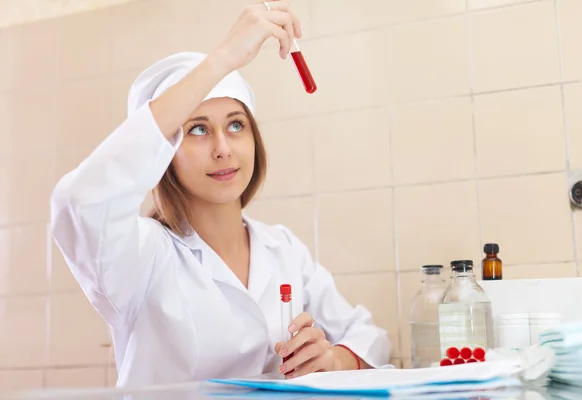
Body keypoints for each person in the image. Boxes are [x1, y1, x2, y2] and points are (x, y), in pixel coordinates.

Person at [50, 0, 392, 388]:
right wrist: (224, 59)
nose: (223, 148)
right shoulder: (141, 256)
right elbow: (80, 200)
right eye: (197, 128)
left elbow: (370, 339)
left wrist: (330, 359)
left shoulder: (283, 250)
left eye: (235, 125)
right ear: (164, 152)